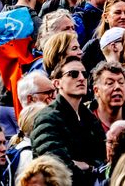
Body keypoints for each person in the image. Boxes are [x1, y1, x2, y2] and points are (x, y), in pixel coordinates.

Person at [30, 57, 106, 186]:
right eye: (73, 74)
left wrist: (89, 167)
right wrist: (90, 170)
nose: (81, 78)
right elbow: (56, 165)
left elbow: (103, 157)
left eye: (84, 74)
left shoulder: (89, 117)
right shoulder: (47, 118)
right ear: (57, 83)